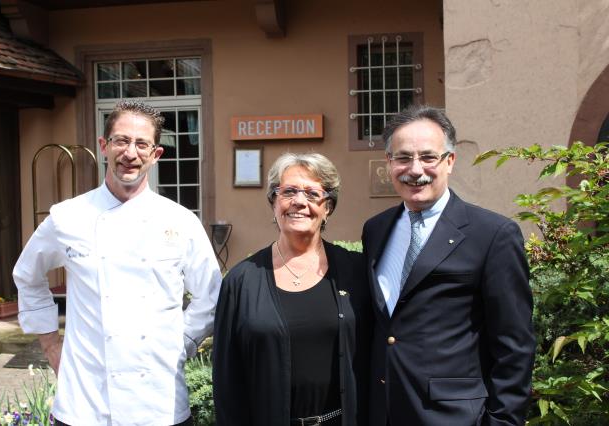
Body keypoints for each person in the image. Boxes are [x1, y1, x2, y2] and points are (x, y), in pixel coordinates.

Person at [13, 100, 222, 426]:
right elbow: (27, 275)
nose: (130, 153)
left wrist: (180, 343)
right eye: (121, 141)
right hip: (85, 402)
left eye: (142, 144)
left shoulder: (180, 221)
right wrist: (51, 344)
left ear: (156, 155)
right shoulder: (67, 217)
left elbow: (211, 294)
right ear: (104, 146)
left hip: (160, 400)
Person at [362, 105, 535, 425]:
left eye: (428, 157)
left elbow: (515, 345)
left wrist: (503, 421)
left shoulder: (492, 234)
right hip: (383, 411)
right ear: (389, 163)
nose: (415, 170)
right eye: (403, 158)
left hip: (455, 417)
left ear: (450, 161)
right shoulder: (375, 229)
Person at [213, 153, 372, 426]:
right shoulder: (241, 282)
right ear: (274, 201)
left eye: (312, 193)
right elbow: (227, 381)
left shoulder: (355, 271)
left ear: (328, 207)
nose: (299, 201)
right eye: (288, 191)